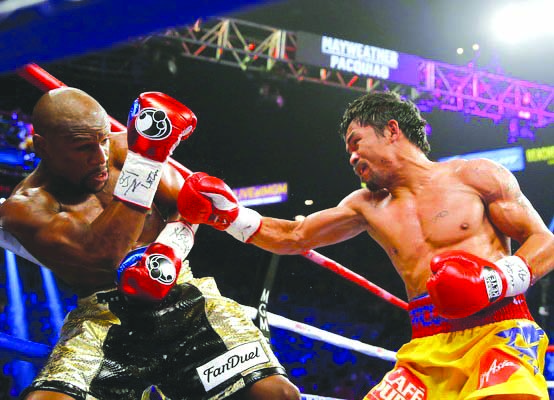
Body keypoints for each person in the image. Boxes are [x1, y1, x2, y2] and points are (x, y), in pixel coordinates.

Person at [178, 91, 554, 399]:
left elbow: (545, 243)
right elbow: (294, 236)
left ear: (392, 130)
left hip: (499, 332)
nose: (353, 157)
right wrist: (225, 215)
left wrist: (494, 281)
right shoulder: (366, 206)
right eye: (348, 153)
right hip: (426, 349)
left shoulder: (475, 175)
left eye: (356, 143)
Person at [0, 87, 300, 400]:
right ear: (42, 146)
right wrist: (147, 160)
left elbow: (190, 204)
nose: (100, 156)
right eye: (82, 148)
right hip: (105, 319)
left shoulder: (124, 149)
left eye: (103, 139)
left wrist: (169, 251)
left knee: (276, 394)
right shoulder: (25, 207)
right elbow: (104, 253)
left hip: (185, 300)